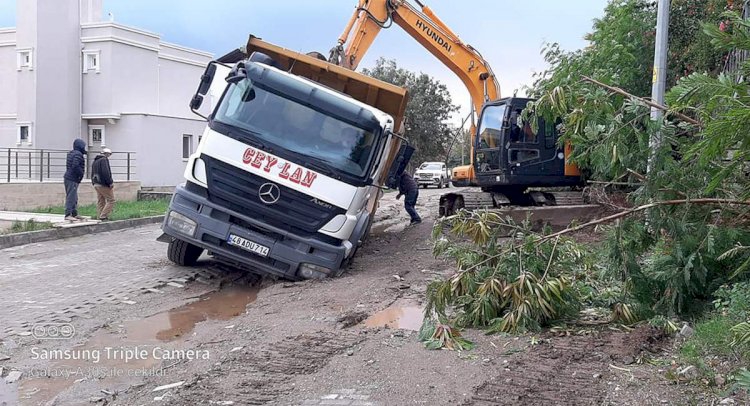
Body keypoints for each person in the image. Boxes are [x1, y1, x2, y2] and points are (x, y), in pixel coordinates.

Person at [63, 139, 86, 221]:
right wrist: (81, 174)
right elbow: (75, 165)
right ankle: (68, 214)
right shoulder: (78, 154)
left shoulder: (71, 153)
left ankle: (74, 213)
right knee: (71, 197)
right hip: (72, 178)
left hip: (70, 177)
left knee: (74, 197)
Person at [92, 148, 116, 221]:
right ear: (106, 154)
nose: (109, 156)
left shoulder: (95, 161)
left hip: (96, 183)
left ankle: (100, 215)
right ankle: (103, 216)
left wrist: (93, 182)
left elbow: (92, 173)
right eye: (109, 154)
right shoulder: (104, 160)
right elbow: (106, 172)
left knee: (101, 200)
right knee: (111, 200)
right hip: (103, 184)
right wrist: (110, 182)